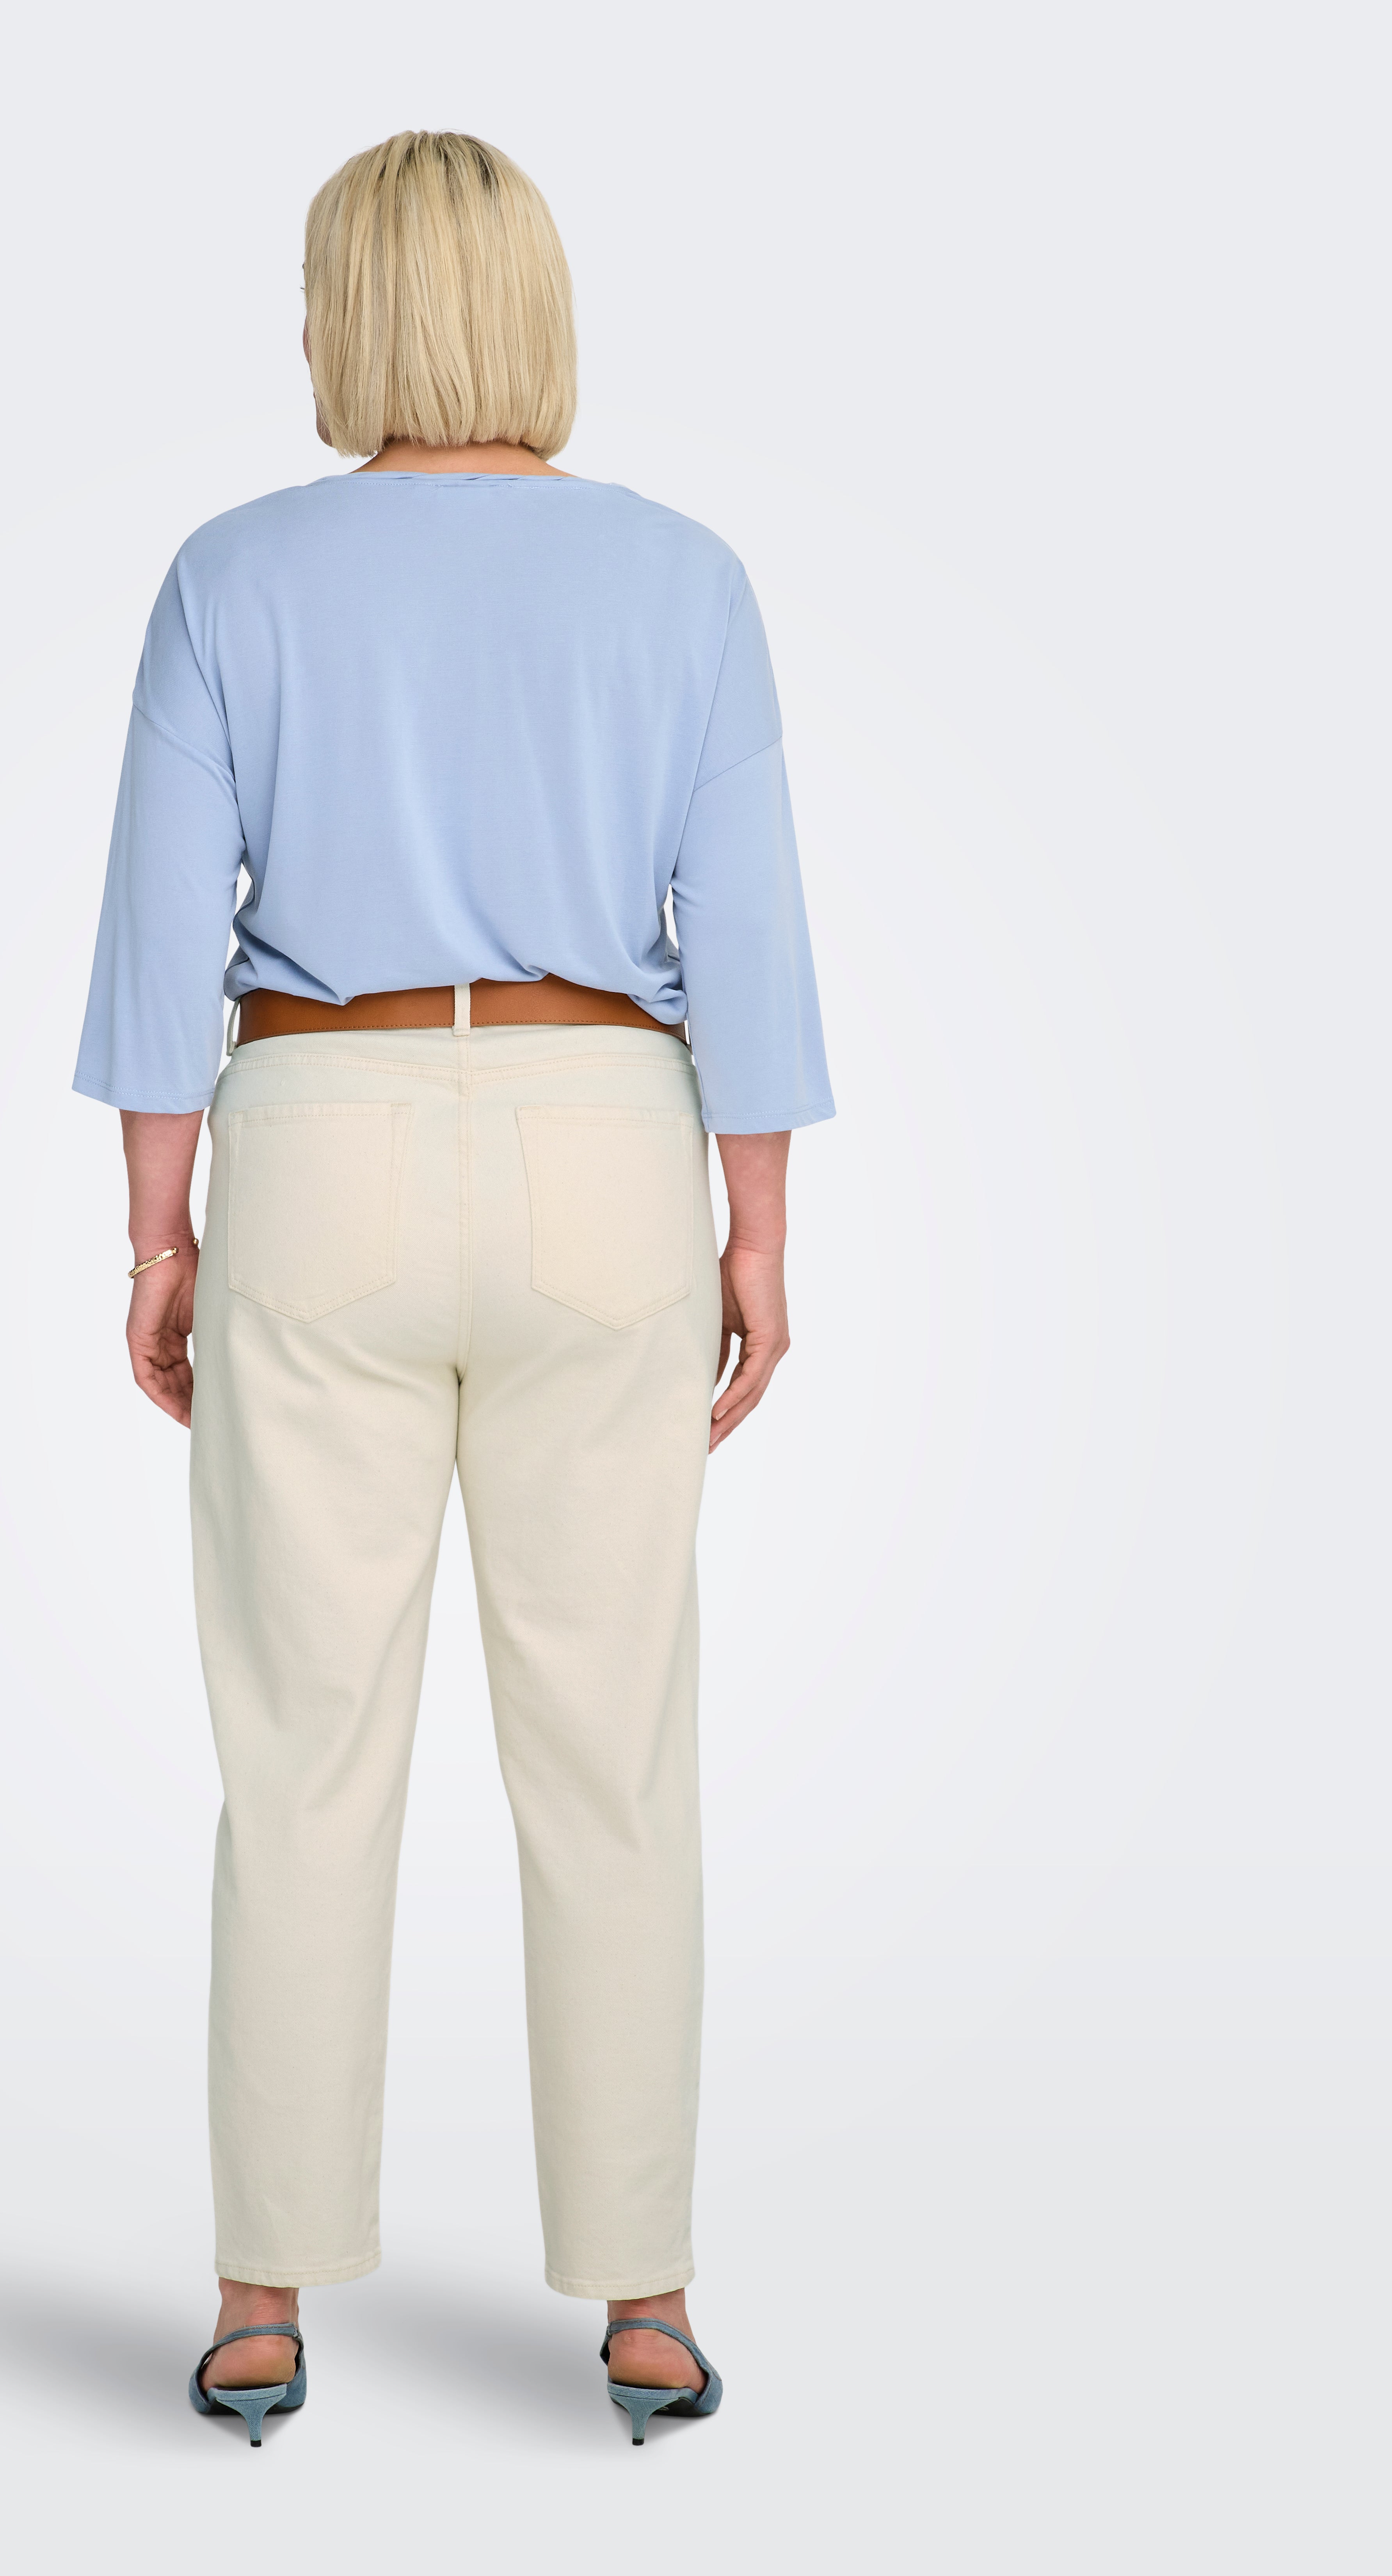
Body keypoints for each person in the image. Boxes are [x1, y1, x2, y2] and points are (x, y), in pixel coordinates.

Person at [74, 129, 834, 2446]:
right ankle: (646, 2302)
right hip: (610, 1146)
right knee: (612, 1751)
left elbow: (158, 937)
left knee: (303, 1751)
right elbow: (749, 934)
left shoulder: (234, 573)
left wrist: (161, 1231)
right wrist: (758, 1230)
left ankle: (260, 2298)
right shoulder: (682, 578)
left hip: (319, 1133)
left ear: (348, 314)